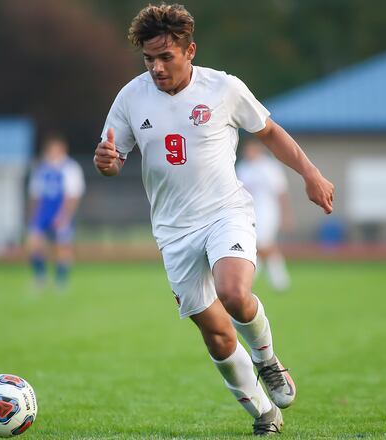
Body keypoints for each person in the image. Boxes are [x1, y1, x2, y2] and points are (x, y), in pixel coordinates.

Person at [93, 4, 334, 435]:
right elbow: (112, 160)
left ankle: (267, 360)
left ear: (190, 51)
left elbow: (270, 131)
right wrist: (106, 161)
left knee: (234, 292)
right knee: (217, 336)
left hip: (226, 212)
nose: (157, 68)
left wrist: (310, 174)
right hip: (172, 231)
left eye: (166, 57)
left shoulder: (223, 88)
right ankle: (264, 414)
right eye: (149, 59)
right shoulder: (131, 98)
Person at [27, 133, 85, 291]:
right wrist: (34, 216)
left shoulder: (70, 168)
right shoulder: (41, 168)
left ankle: (61, 281)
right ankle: (40, 278)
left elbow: (73, 195)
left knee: (62, 247)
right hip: (43, 212)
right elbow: (35, 194)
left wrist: (65, 215)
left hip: (60, 211)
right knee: (34, 243)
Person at [236, 139, 294, 292]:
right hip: (249, 213)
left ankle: (253, 279)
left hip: (268, 211)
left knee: (262, 244)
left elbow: (281, 192)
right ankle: (279, 280)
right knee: (258, 245)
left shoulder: (269, 167)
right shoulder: (242, 168)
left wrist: (285, 214)